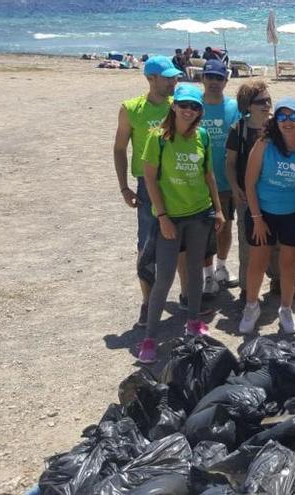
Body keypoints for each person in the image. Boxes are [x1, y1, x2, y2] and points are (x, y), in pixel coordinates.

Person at [138, 84, 225, 363]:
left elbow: (209, 175)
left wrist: (219, 210)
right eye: (184, 105)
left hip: (200, 214)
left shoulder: (203, 136)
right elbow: (149, 178)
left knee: (195, 270)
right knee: (164, 277)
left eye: (195, 106)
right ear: (174, 106)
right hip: (171, 218)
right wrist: (162, 217)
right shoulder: (159, 137)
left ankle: (192, 323)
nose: (189, 110)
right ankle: (150, 337)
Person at [113, 55, 181, 328]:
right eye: (168, 77)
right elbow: (119, 148)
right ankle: (147, 302)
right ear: (151, 78)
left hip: (176, 183)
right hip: (146, 185)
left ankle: (186, 297)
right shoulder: (132, 109)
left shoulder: (178, 107)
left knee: (181, 243)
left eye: (175, 76)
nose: (174, 81)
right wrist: (123, 187)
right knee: (146, 244)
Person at [238, 98, 295, 336]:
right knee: (258, 263)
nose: (288, 122)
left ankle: (285, 308)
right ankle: (251, 306)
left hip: (292, 215)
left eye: (293, 117)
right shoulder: (264, 144)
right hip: (263, 213)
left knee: (288, 265)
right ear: (276, 121)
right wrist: (257, 218)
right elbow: (249, 183)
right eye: (282, 117)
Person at [225, 81, 272, 299]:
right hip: (246, 195)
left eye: (268, 100)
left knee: (277, 241)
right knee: (247, 243)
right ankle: (246, 288)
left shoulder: (276, 126)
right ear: (248, 106)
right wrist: (234, 187)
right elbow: (230, 163)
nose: (267, 105)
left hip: (274, 195)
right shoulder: (239, 129)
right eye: (261, 101)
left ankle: (277, 280)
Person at [201, 59, 241, 295]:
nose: (214, 82)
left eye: (219, 78)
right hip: (198, 183)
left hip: (226, 181)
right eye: (210, 77)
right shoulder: (193, 105)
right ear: (202, 78)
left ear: (226, 81)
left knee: (225, 226)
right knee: (203, 232)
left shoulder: (233, 107)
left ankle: (222, 267)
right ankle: (207, 276)